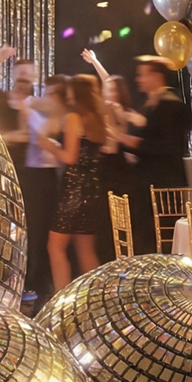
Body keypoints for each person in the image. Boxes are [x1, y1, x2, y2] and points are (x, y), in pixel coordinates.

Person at [41, 74, 109, 290]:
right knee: (86, 249)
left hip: (74, 190)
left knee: (56, 247)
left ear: (74, 93)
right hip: (94, 188)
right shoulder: (97, 119)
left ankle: (61, 300)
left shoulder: (73, 118)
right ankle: (94, 298)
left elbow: (70, 157)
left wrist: (49, 145)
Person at [82, 48, 147, 255]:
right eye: (108, 90)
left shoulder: (121, 110)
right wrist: (95, 62)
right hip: (103, 166)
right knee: (105, 216)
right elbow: (107, 80)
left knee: (122, 214)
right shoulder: (102, 107)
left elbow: (139, 121)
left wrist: (119, 127)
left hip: (118, 167)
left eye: (114, 90)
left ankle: (124, 254)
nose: (110, 92)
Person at [124, 55, 189, 253]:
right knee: (146, 237)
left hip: (163, 184)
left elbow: (170, 147)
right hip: (148, 182)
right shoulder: (153, 104)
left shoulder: (170, 104)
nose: (138, 80)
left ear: (156, 76)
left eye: (142, 75)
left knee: (159, 240)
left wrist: (135, 143)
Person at [19, 70, 66, 299]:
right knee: (34, 231)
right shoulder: (46, 110)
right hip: (36, 176)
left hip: (45, 178)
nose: (47, 96)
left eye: (51, 92)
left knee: (40, 231)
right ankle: (35, 280)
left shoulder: (61, 115)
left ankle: (39, 283)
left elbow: (41, 136)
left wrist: (29, 111)